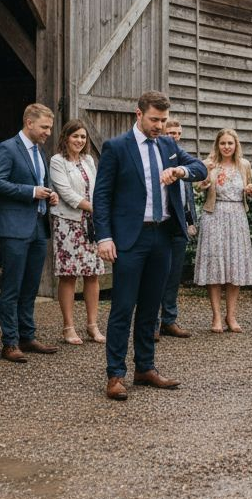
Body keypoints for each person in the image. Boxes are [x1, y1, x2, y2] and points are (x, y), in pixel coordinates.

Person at [93, 91, 207, 400]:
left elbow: (201, 168)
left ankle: (145, 368)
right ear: (138, 114)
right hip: (131, 238)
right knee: (122, 307)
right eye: (154, 119)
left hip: (163, 237)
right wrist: (104, 236)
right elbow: (101, 196)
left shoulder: (169, 145)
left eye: (163, 120)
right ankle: (115, 375)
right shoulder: (116, 147)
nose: (159, 126)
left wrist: (181, 171)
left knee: (150, 307)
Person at [0, 103, 61, 363]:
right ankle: (9, 342)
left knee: (30, 286)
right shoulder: (6, 148)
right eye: (44, 127)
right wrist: (31, 192)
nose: (48, 133)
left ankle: (27, 336)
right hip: (15, 228)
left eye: (50, 128)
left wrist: (49, 194)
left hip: (39, 227)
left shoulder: (40, 152)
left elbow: (41, 183)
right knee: (12, 287)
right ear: (29, 123)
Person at [193, 128, 252, 332]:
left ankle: (231, 316)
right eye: (223, 143)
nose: (227, 147)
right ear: (217, 145)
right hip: (215, 215)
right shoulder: (209, 164)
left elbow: (250, 190)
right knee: (215, 267)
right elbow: (196, 188)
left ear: (236, 145)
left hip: (237, 216)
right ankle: (216, 317)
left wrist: (250, 191)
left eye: (230, 143)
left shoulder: (244, 165)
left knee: (234, 266)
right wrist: (203, 183)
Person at [48, 119, 106, 345]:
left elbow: (98, 187)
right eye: (75, 136)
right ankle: (68, 327)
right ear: (66, 138)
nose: (80, 141)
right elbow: (65, 192)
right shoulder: (57, 161)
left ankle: (93, 325)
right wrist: (95, 207)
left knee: (93, 274)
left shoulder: (89, 160)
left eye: (83, 137)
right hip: (68, 223)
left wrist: (99, 209)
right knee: (69, 275)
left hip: (90, 224)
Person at [155, 118, 197, 340]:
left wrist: (191, 221)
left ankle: (169, 320)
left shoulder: (182, 158)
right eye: (170, 132)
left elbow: (188, 195)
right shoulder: (157, 155)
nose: (174, 137)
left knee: (174, 275)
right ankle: (152, 323)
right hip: (160, 222)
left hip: (180, 223)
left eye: (177, 133)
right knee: (155, 276)